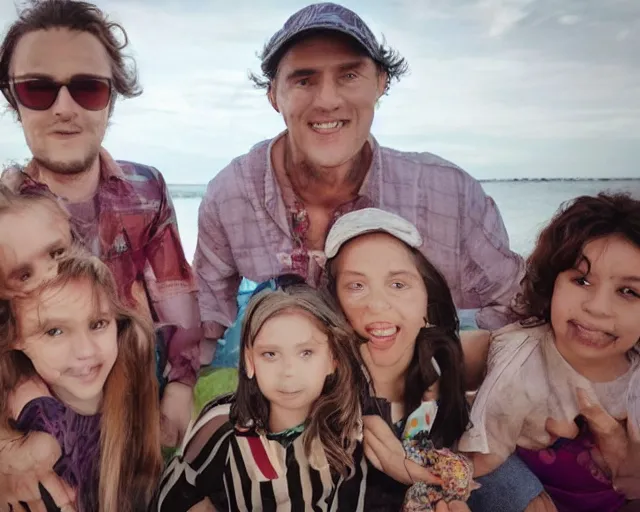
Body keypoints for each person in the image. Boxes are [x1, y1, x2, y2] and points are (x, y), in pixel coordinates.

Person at [193, 1, 524, 367]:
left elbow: (516, 308)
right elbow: (208, 330)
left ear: (381, 82)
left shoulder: (450, 195)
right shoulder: (231, 194)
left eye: (349, 76)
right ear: (274, 95)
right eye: (304, 80)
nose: (328, 100)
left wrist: (430, 354)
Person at [0, 0, 201, 506]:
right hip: (41, 422)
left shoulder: (146, 188)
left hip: (136, 415)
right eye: (38, 89)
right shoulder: (4, 220)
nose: (64, 108)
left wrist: (179, 387)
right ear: (13, 98)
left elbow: (175, 301)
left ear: (110, 99)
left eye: (87, 87)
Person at [459, 193, 640, 512]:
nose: (596, 308)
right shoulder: (519, 358)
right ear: (551, 282)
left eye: (628, 292)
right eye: (581, 280)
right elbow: (478, 460)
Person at [154, 283, 366, 511]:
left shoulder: (345, 430)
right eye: (270, 354)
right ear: (250, 361)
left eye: (306, 353)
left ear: (333, 359)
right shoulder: (223, 426)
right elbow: (176, 496)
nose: (288, 371)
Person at [324, 208, 477, 511]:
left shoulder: (446, 368)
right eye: (356, 286)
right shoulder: (316, 387)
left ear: (427, 298)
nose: (378, 304)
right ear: (334, 304)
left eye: (398, 284)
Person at [1, 252, 163, 512]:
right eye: (54, 331)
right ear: (17, 339)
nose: (85, 350)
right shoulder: (37, 427)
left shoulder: (133, 383)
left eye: (98, 324)